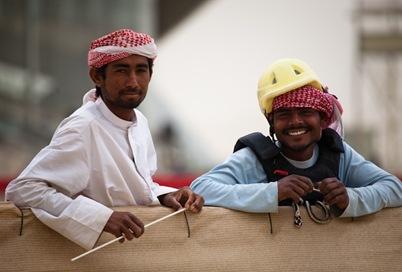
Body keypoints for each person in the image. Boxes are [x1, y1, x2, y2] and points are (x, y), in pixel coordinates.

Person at [5, 29, 204, 250]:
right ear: (97, 77)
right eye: (121, 70)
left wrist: (166, 195)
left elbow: (136, 186)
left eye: (141, 70)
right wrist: (100, 218)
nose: (133, 81)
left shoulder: (140, 122)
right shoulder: (83, 127)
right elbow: (23, 190)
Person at [190, 58, 402, 224]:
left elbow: (394, 189)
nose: (296, 122)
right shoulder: (254, 159)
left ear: (321, 118)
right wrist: (273, 192)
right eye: (284, 115)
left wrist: (350, 198)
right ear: (271, 122)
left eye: (305, 112)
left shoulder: (340, 156)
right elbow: (201, 189)